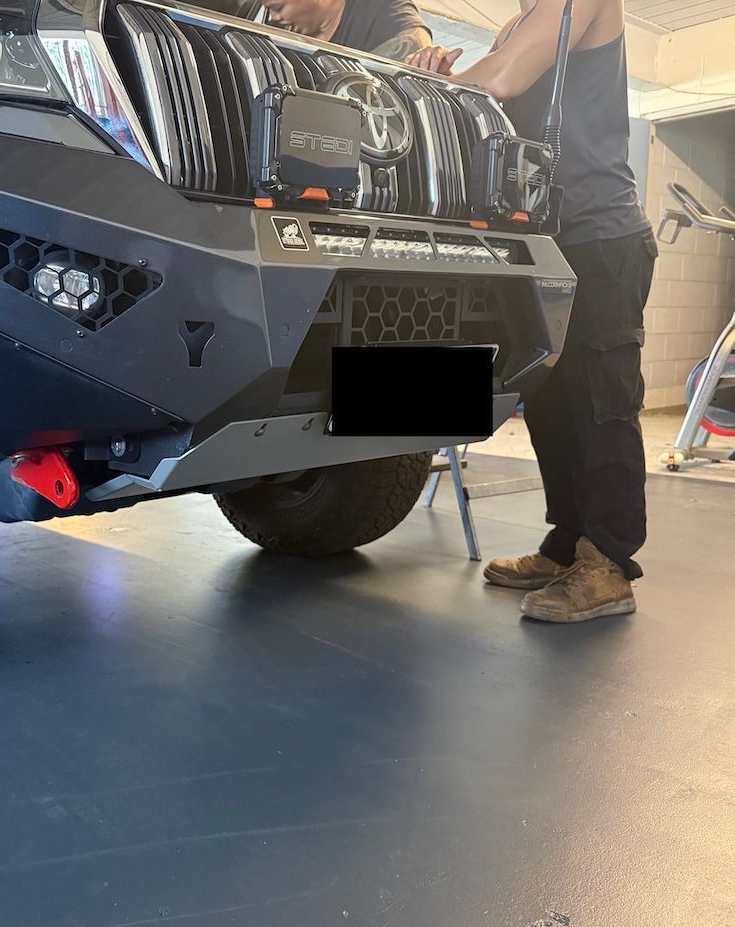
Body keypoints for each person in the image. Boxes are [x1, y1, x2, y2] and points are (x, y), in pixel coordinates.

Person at [407, 0, 656, 623]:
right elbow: (487, 96)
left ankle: (609, 565)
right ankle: (567, 543)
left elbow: (501, 79)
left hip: (601, 235)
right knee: (549, 398)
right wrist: (436, 68)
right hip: (541, 239)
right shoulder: (515, 26)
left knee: (603, 401)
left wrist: (432, 81)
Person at [259, 0, 432, 62]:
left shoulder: (376, 5)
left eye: (279, 8)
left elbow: (416, 40)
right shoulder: (278, 33)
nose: (274, 17)